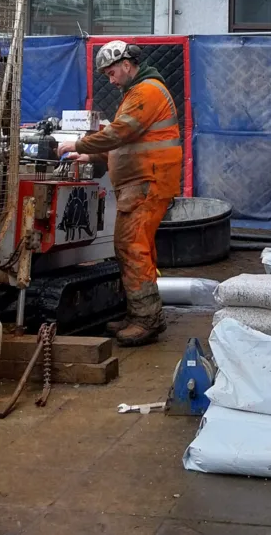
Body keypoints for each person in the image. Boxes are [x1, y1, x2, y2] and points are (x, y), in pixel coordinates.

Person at [58, 40, 182, 346]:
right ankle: (139, 314)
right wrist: (92, 158)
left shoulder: (146, 91)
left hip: (147, 182)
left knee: (131, 246)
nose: (110, 80)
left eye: (112, 72)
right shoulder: (137, 93)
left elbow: (119, 133)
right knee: (136, 247)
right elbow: (127, 144)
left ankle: (146, 321)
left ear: (127, 65)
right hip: (143, 181)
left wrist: (79, 145)